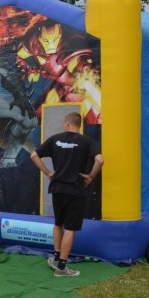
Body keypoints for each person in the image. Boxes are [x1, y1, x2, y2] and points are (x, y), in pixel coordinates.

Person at [30, 112, 104, 277]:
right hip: (75, 190)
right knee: (70, 228)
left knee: (58, 223)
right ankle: (62, 268)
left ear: (66, 123)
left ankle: (56, 258)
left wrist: (48, 172)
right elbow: (100, 160)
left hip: (57, 189)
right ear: (79, 125)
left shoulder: (55, 139)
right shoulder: (87, 141)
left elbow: (34, 155)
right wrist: (91, 176)